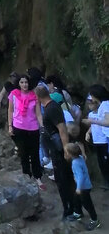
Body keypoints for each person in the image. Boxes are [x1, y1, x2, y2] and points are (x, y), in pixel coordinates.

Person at [36, 83, 78, 220]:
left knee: (64, 180)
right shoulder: (51, 106)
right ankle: (70, 208)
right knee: (62, 179)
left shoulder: (51, 109)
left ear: (38, 97)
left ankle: (70, 210)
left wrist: (66, 150)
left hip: (59, 150)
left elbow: (62, 129)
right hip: (55, 149)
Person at [7, 74, 42, 183]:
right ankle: (26, 174)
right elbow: (10, 110)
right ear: (18, 83)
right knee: (23, 153)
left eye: (26, 82)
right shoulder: (13, 94)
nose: (24, 84)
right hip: (18, 126)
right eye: (22, 82)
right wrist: (9, 126)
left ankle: (38, 176)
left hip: (33, 127)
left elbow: (38, 113)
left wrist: (42, 125)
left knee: (35, 153)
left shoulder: (35, 95)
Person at [65, 142, 100, 231]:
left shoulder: (76, 163)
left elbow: (80, 176)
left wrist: (78, 188)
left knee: (87, 204)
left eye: (66, 152)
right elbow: (79, 145)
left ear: (70, 154)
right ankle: (78, 213)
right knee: (76, 200)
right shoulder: (80, 158)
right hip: (82, 186)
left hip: (83, 187)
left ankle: (95, 220)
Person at [79, 85, 109, 189]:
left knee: (105, 161)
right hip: (101, 139)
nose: (91, 97)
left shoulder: (105, 104)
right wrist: (88, 132)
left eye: (92, 95)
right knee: (102, 161)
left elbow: (107, 122)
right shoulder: (102, 105)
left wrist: (91, 121)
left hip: (105, 138)